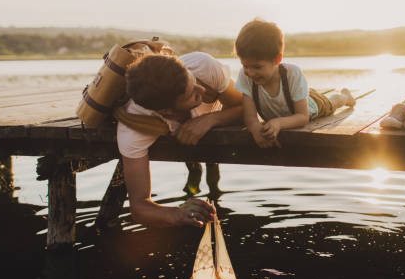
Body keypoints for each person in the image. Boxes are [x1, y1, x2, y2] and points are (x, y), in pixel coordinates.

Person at [116, 51, 244, 228]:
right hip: (166, 127)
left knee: (212, 176)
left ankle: (212, 187)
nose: (203, 90)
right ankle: (196, 178)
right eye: (192, 94)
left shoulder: (203, 66)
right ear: (166, 112)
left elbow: (245, 106)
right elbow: (139, 207)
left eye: (193, 80)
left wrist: (210, 119)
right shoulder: (133, 129)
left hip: (209, 115)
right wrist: (176, 214)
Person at [234, 19, 355, 148]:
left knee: (332, 103)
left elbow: (303, 117)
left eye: (257, 67)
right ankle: (307, 93)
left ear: (277, 59)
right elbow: (250, 117)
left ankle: (345, 96)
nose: (250, 73)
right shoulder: (245, 76)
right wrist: (255, 129)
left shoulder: (292, 74)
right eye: (245, 65)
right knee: (304, 94)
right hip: (294, 100)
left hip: (311, 105)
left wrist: (278, 123)